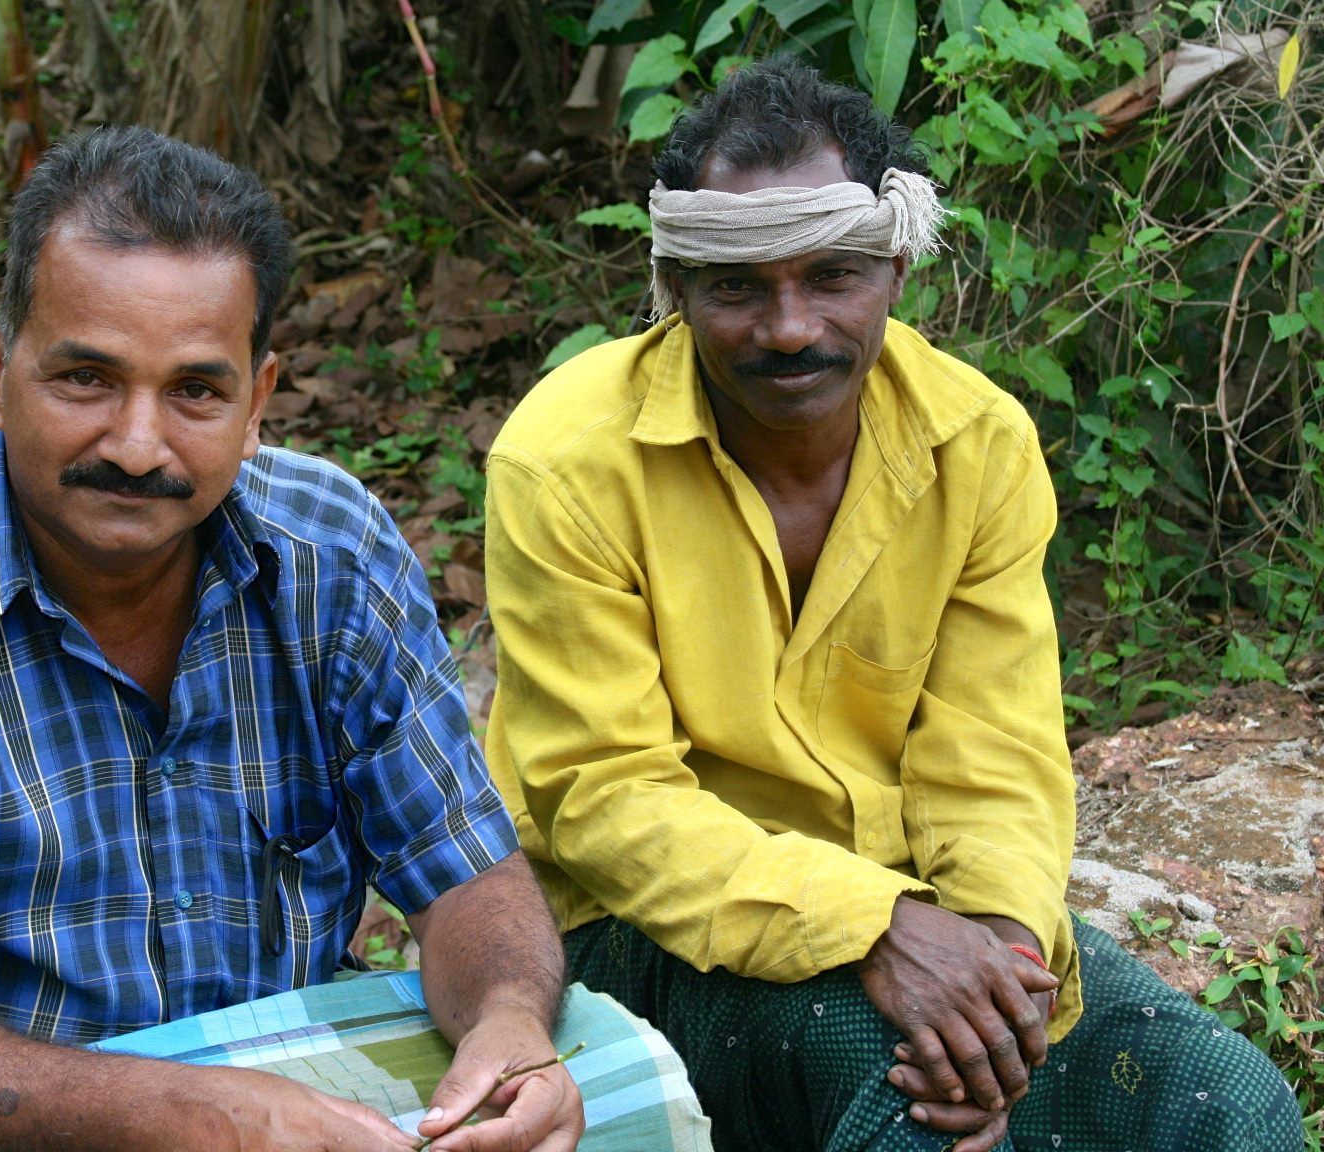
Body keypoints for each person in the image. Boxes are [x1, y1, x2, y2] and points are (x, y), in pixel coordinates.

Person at [0, 126, 710, 1152]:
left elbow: (463, 870)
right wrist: (190, 1117)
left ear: (257, 402)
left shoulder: (330, 546)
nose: (138, 444)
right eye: (86, 380)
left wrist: (507, 1028)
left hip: (274, 1077)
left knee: (594, 1077)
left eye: (196, 390)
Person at [482, 57, 1303, 1152]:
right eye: (737, 286)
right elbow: (608, 801)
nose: (788, 327)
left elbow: (995, 755)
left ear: (900, 263)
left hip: (921, 907)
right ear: (675, 286)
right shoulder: (567, 460)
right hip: (636, 927)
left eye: (833, 275)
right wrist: (878, 931)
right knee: (905, 1099)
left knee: (1226, 1101)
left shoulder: (978, 445)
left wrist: (1001, 966)